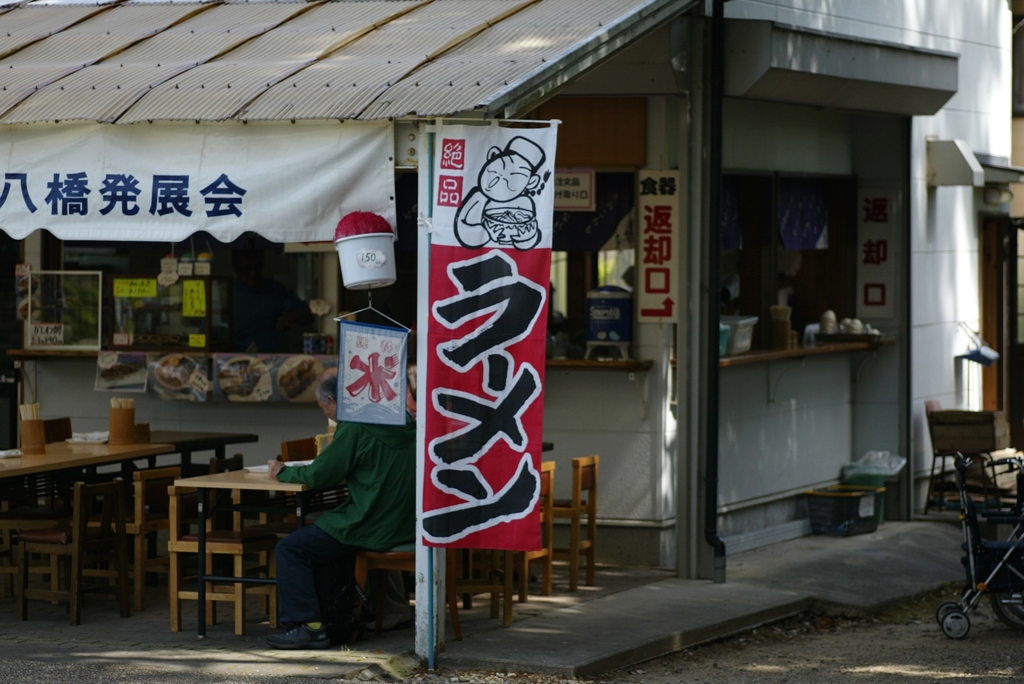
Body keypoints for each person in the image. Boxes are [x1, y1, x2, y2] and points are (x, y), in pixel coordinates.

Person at [266, 367, 416, 649]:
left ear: (334, 401)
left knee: (291, 548)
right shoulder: (404, 420)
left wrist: (282, 471)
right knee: (321, 533)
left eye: (323, 406)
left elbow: (319, 475)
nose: (326, 412)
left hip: (370, 524)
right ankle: (337, 616)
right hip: (405, 524)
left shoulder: (356, 424)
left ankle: (307, 625)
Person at [232, 249, 314, 352]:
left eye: (257, 269)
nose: (253, 274)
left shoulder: (275, 290)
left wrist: (291, 317)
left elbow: (308, 314)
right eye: (246, 269)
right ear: (236, 268)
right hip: (237, 359)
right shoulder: (230, 292)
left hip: (274, 359)